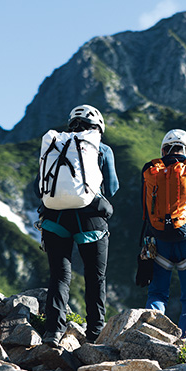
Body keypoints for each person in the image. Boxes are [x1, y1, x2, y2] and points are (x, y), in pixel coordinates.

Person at [36, 104, 119, 345]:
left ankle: (53, 332)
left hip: (55, 219)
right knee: (95, 277)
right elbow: (112, 188)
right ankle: (94, 335)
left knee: (59, 276)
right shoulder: (102, 149)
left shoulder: (55, 145)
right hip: (90, 221)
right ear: (98, 128)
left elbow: (37, 188)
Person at [140, 129, 186, 337]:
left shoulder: (150, 169)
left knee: (157, 294)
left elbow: (144, 209)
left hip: (158, 241)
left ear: (163, 150)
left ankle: (151, 337)